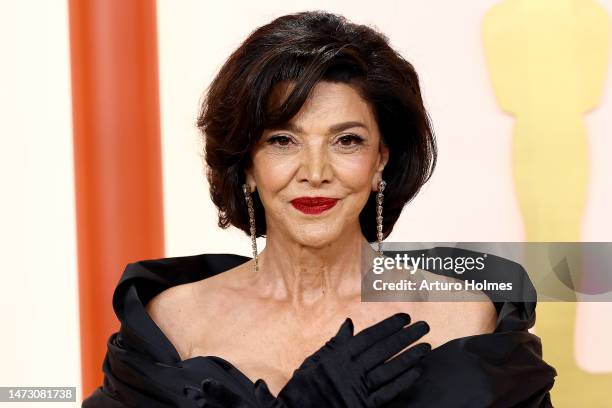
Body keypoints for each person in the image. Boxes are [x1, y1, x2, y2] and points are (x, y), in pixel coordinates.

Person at [82, 10, 557, 407]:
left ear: (380, 161)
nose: (315, 170)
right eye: (283, 140)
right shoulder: (172, 324)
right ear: (247, 164)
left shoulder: (463, 321)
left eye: (346, 141)